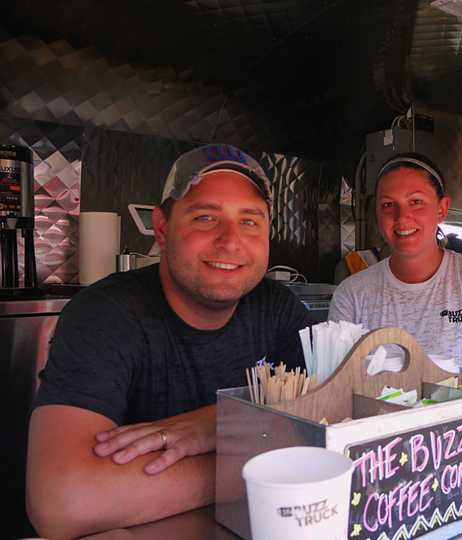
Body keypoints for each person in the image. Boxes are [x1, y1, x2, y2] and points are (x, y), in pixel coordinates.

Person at [26, 144, 311, 539]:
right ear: (162, 227)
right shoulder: (105, 314)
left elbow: (321, 432)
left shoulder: (278, 310)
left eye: (250, 221)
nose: (230, 241)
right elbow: (62, 501)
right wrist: (243, 449)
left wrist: (218, 424)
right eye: (206, 217)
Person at [329, 153, 462, 392]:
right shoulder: (351, 294)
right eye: (388, 205)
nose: (402, 217)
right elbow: (336, 392)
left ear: (442, 209)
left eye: (416, 202)